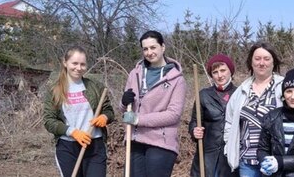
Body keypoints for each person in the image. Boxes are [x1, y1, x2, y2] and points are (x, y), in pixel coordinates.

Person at [120, 30, 187, 177]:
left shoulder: (176, 79)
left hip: (161, 142)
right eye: (145, 49)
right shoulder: (135, 74)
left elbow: (173, 115)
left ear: (162, 47)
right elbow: (126, 111)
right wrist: (124, 103)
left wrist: (138, 119)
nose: (149, 52)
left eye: (153, 47)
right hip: (135, 139)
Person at [43, 45, 115, 177]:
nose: (78, 68)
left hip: (94, 145)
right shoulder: (54, 89)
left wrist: (105, 117)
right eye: (74, 63)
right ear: (65, 63)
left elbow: (109, 111)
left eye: (82, 64)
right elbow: (49, 121)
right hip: (68, 147)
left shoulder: (95, 86)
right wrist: (73, 132)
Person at [224, 42, 284, 177]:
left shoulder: (283, 88)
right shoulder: (241, 91)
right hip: (247, 161)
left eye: (266, 59)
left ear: (273, 62)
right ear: (251, 62)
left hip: (274, 161)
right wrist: (229, 148)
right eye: (257, 59)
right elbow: (229, 122)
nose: (262, 63)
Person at [189, 53, 239, 177]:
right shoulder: (203, 95)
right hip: (208, 155)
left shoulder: (240, 93)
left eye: (223, 70)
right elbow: (195, 121)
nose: (220, 75)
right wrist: (194, 130)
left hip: (231, 154)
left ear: (230, 71)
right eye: (215, 72)